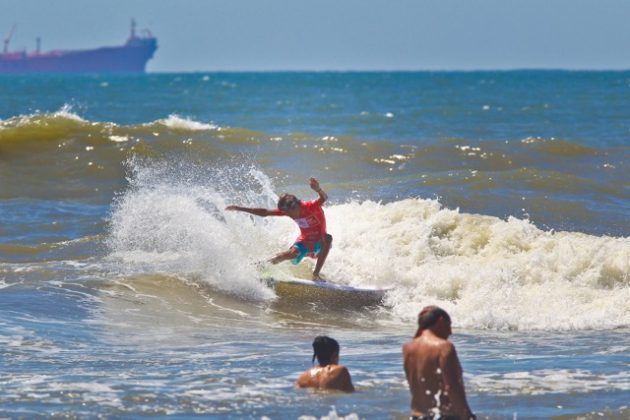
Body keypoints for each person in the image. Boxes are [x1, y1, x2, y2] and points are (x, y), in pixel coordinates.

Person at [225, 177, 332, 281]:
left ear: (295, 207)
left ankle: (316, 274)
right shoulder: (288, 211)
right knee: (291, 254)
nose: (287, 215)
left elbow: (324, 198)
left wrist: (318, 189)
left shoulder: (310, 206)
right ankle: (258, 267)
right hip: (305, 242)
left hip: (319, 243)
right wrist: (239, 208)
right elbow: (265, 212)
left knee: (328, 238)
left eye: (288, 212)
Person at [402, 306, 475, 420]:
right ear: (441, 321)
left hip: (417, 415)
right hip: (444, 416)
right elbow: (451, 386)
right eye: (449, 325)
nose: (450, 331)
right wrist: (467, 416)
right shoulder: (444, 347)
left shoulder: (408, 348)